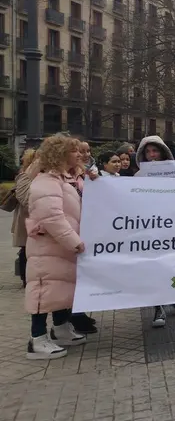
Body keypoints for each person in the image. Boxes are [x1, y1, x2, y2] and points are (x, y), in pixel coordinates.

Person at [25, 134, 87, 359]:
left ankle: (61, 328)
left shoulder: (62, 180)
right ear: (60, 154)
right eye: (74, 151)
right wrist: (74, 241)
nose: (79, 154)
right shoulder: (45, 182)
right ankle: (37, 339)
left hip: (60, 250)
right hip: (47, 249)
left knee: (60, 289)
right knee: (43, 291)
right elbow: (52, 217)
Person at [136, 136, 175, 327]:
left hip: (173, 229)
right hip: (150, 231)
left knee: (173, 266)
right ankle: (158, 308)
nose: (152, 155)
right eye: (148, 152)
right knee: (154, 269)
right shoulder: (137, 177)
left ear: (163, 152)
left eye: (155, 151)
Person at [12, 149, 39, 288]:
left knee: (29, 249)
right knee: (25, 249)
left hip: (32, 218)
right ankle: (25, 278)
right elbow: (23, 197)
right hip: (26, 218)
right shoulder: (25, 176)